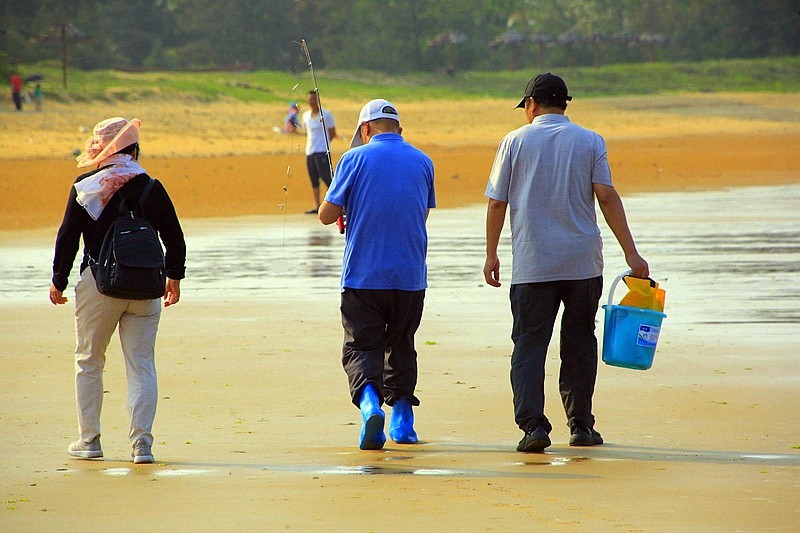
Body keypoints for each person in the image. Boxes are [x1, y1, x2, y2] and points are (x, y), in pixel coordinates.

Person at [483, 73, 649, 453]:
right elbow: (606, 196)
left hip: (532, 264)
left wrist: (491, 253)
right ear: (565, 104)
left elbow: (496, 202)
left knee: (528, 345)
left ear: (531, 105)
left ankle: (533, 428)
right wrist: (631, 253)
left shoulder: (514, 141)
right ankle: (581, 425)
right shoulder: (590, 140)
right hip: (582, 263)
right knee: (578, 343)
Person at [50, 117, 186, 464]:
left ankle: (90, 441)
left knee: (89, 361)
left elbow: (67, 239)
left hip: (99, 285)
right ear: (134, 151)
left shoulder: (86, 186)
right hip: (145, 287)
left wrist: (59, 281)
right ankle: (142, 445)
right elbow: (174, 237)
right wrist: (174, 277)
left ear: (101, 150)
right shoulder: (150, 187)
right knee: (141, 366)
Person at [318, 99, 435, 450]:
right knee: (401, 344)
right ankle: (403, 421)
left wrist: (344, 212)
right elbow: (418, 215)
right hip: (410, 276)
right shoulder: (423, 161)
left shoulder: (352, 159)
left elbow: (326, 215)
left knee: (360, 346)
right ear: (398, 129)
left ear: (365, 129)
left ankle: (370, 404)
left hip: (363, 275)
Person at [302, 90, 336, 214]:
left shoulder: (326, 115)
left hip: (322, 151)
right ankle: (317, 206)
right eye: (310, 99)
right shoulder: (305, 115)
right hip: (310, 151)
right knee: (314, 179)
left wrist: (325, 144)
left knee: (327, 178)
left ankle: (336, 203)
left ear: (318, 100)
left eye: (314, 99)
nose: (312, 102)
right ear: (307, 101)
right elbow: (307, 132)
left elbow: (332, 133)